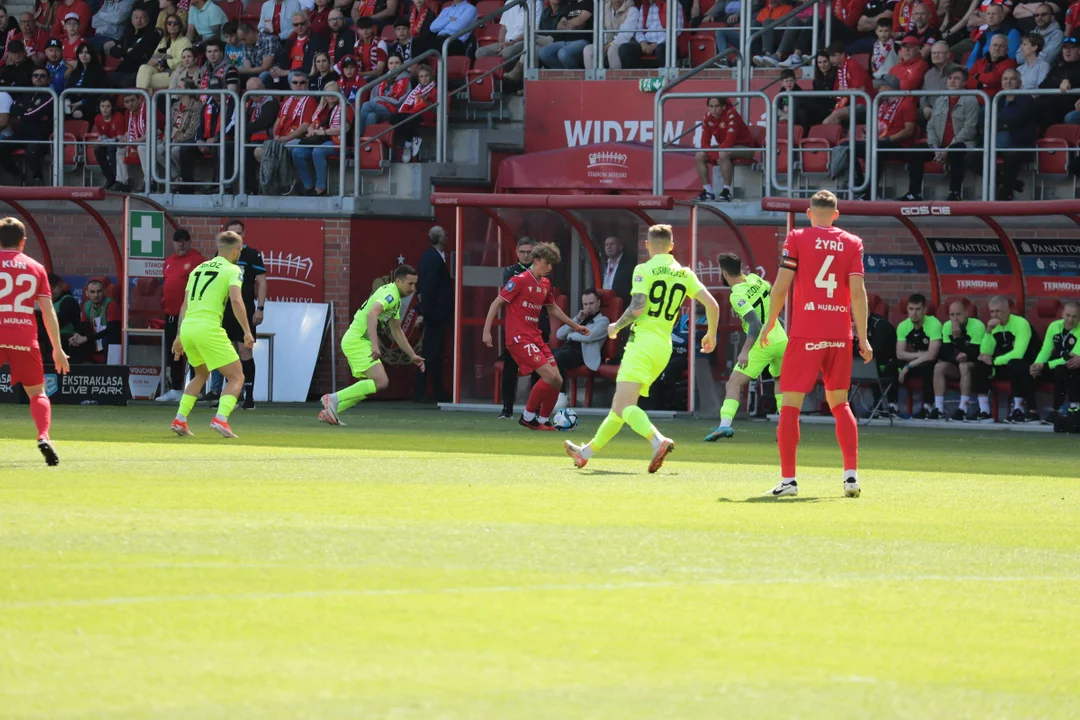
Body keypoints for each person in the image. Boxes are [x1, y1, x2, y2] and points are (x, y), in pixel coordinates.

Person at [565, 225, 719, 471]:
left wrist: (616, 326)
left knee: (626, 406)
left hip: (642, 344)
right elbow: (712, 305)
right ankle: (586, 452)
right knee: (619, 407)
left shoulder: (643, 269)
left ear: (647, 245)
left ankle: (657, 440)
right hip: (663, 347)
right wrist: (710, 334)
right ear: (671, 246)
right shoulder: (685, 273)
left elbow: (637, 308)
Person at [760, 189, 872, 498]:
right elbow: (858, 292)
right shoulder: (852, 243)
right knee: (840, 403)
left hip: (806, 331)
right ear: (836, 215)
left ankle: (789, 481)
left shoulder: (797, 237)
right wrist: (862, 336)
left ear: (810, 213)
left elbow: (781, 286)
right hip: (839, 333)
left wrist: (770, 323)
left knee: (790, 406)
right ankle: (851, 477)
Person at [482, 242, 588, 430]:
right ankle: (527, 417)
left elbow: (553, 308)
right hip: (519, 338)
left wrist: (575, 326)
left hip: (536, 337)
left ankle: (542, 420)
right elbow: (496, 302)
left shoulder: (545, 283)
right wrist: (486, 331)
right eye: (547, 264)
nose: (549, 268)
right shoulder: (520, 280)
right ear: (536, 260)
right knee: (548, 376)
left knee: (558, 380)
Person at [169, 230, 254, 439]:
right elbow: (236, 300)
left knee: (201, 373)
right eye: (240, 250)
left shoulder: (198, 268)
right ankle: (221, 419)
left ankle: (180, 418)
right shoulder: (233, 269)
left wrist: (179, 335)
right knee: (237, 376)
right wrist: (247, 331)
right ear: (235, 250)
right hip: (208, 327)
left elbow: (185, 304)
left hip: (188, 327)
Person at [0, 217, 70, 465]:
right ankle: (43, 436)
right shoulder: (36, 268)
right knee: (37, 392)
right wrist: (58, 349)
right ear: (23, 242)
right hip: (23, 335)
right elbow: (48, 312)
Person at [318, 265, 426, 425]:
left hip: (358, 341)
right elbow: (372, 313)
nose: (413, 288)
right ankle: (332, 399)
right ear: (398, 281)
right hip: (357, 341)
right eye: (410, 284)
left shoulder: (394, 298)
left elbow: (397, 331)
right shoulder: (390, 294)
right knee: (381, 382)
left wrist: (412, 355)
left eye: (415, 284)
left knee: (373, 384)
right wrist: (375, 345)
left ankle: (332, 411)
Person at [704, 253, 786, 441]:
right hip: (781, 339)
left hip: (762, 343)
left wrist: (745, 351)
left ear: (724, 273)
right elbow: (771, 290)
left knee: (733, 383)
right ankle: (784, 427)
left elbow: (755, 324)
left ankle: (724, 425)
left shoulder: (737, 294)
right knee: (779, 380)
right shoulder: (756, 279)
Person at [213, 220, 266, 409]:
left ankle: (248, 397)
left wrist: (260, 308)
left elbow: (262, 282)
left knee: (245, 350)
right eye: (231, 233)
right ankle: (229, 395)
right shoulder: (220, 256)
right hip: (224, 310)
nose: (236, 237)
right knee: (225, 352)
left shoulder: (252, 255)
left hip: (245, 308)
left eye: (239, 233)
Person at [905, 66, 979, 201]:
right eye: (950, 78)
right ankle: (914, 193)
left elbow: (969, 129)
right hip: (939, 146)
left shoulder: (971, 100)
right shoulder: (940, 100)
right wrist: (935, 147)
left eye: (957, 79)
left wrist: (948, 148)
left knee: (956, 150)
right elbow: (931, 126)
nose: (952, 81)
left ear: (964, 83)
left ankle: (955, 192)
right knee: (916, 150)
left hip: (962, 144)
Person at [497, 237, 544, 418]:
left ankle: (533, 410)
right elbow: (512, 296)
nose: (525, 255)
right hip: (517, 328)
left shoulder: (543, 273)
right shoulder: (511, 272)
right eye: (522, 252)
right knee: (510, 369)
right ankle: (507, 409)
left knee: (539, 369)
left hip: (538, 326)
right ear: (516, 253)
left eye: (529, 252)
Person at [158, 229, 205, 403]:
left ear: (190, 242)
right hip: (171, 315)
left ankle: (196, 389)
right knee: (174, 352)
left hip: (190, 315)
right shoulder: (168, 262)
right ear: (174, 242)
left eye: (185, 240)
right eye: (178, 241)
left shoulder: (198, 260)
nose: (181, 244)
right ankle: (176, 389)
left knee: (194, 353)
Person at [976, 295, 1039, 422]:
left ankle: (1021, 410)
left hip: (1028, 366)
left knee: (1014, 364)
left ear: (1008, 310)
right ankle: (984, 411)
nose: (995, 315)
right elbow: (985, 353)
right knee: (979, 365)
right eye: (992, 311)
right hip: (1005, 364)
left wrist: (994, 361)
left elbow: (1018, 354)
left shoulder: (1021, 323)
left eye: (998, 311)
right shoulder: (994, 327)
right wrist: (988, 331)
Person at [552, 288, 610, 409]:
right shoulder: (580, 319)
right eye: (585, 304)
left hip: (584, 354)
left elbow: (590, 337)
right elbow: (559, 334)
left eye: (591, 303)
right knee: (546, 355)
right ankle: (547, 394)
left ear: (598, 303)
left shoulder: (603, 321)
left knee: (559, 357)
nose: (588, 307)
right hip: (569, 349)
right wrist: (576, 319)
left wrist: (571, 335)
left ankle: (562, 395)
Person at [414, 225, 453, 403]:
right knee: (429, 353)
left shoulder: (434, 257)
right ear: (440, 238)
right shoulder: (431, 258)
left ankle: (437, 391)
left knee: (435, 353)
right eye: (444, 234)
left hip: (437, 313)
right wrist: (423, 312)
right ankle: (419, 390)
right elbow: (427, 287)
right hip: (433, 314)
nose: (447, 236)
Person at [888, 293, 942, 418]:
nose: (914, 313)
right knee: (892, 365)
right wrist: (919, 355)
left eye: (918, 309)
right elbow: (900, 354)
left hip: (930, 362)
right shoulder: (903, 326)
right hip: (917, 360)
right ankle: (892, 406)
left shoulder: (934, 324)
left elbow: (932, 355)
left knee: (928, 366)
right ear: (907, 309)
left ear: (924, 310)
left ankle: (928, 406)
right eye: (911, 309)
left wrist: (908, 366)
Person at [693, 96, 754, 203]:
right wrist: (713, 155)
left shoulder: (731, 114)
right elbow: (704, 142)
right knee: (699, 155)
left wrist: (715, 155)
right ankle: (708, 192)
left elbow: (729, 141)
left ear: (724, 106)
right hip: (725, 148)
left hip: (745, 147)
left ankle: (726, 191)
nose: (714, 109)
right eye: (711, 107)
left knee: (723, 153)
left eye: (717, 106)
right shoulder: (707, 117)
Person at [1031, 300, 1080, 424]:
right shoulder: (1054, 326)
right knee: (1028, 371)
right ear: (1062, 314)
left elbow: (1070, 358)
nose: (1070, 320)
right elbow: (1046, 350)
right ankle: (1028, 412)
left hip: (1073, 366)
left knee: (1062, 369)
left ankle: (1059, 410)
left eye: (1075, 316)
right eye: (1068, 315)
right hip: (1057, 366)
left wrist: (1045, 365)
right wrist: (1037, 364)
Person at [79, 279, 121, 363]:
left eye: (99, 291)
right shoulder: (87, 305)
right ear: (87, 293)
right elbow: (84, 326)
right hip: (96, 339)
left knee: (107, 339)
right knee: (75, 342)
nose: (96, 295)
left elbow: (111, 330)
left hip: (112, 340)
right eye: (92, 292)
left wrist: (86, 338)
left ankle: (109, 371)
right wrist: (77, 336)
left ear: (104, 291)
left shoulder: (111, 305)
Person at [600, 235, 634, 307]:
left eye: (612, 244)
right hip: (606, 305)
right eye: (606, 245)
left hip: (622, 305)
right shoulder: (605, 263)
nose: (609, 247)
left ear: (620, 247)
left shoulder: (629, 264)